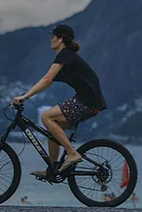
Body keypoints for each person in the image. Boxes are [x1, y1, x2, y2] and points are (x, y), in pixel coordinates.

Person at [12, 24, 107, 177]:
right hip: (91, 101)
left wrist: (24, 97)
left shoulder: (66, 54)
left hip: (87, 100)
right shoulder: (68, 58)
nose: (51, 40)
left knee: (46, 117)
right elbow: (45, 82)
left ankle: (72, 153)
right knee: (53, 127)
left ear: (60, 39)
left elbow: (47, 79)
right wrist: (28, 94)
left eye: (53, 37)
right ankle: (54, 168)